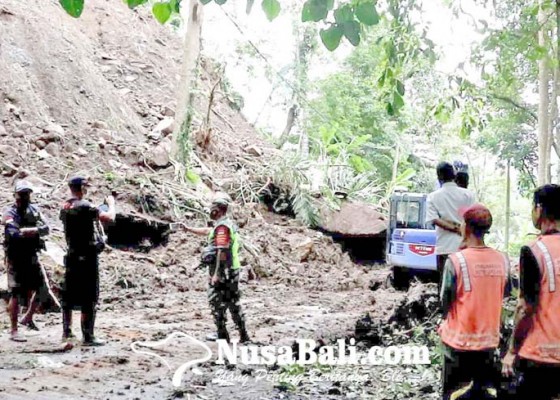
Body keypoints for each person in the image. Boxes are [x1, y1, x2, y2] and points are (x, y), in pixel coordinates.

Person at [439, 203, 511, 399]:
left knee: (454, 394)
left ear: (466, 227)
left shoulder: (455, 261)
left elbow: (445, 302)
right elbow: (504, 294)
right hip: (489, 344)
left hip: (457, 345)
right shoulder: (502, 260)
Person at [502, 184, 560, 399]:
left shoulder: (534, 251)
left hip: (541, 357)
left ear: (539, 209)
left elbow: (525, 307)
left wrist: (511, 351)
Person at [184, 194, 250, 343]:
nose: (210, 210)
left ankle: (222, 335)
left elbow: (222, 250)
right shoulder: (226, 224)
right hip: (232, 269)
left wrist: (216, 273)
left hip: (224, 270)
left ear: (218, 210)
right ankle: (243, 335)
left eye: (212, 208)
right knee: (233, 302)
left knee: (215, 302)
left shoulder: (222, 228)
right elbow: (208, 231)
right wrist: (188, 229)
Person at [59, 176, 116, 346]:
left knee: (68, 295)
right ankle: (88, 336)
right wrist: (111, 204)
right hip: (87, 256)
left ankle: (67, 332)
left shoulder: (66, 206)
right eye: (85, 187)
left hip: (72, 254)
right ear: (81, 188)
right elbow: (109, 218)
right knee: (89, 296)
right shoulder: (85, 206)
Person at [2, 180, 50, 342]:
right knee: (16, 293)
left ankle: (28, 317)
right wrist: (31, 232)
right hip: (15, 257)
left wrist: (30, 231)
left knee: (42, 288)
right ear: (15, 195)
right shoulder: (10, 212)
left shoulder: (34, 210)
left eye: (27, 194)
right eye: (22, 194)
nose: (25, 197)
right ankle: (14, 330)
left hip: (31, 255)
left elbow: (46, 228)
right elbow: (14, 232)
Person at [427, 161, 475, 290]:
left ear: (439, 177)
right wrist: (461, 229)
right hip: (465, 247)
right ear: (454, 174)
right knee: (465, 287)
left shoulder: (433, 197)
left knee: (445, 288)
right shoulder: (468, 195)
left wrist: (454, 228)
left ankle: (446, 310)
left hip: (444, 248)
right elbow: (473, 218)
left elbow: (435, 220)